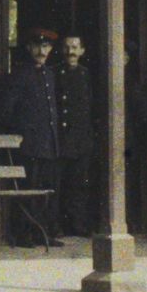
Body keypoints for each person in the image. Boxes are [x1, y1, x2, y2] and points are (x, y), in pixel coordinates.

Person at [0, 28, 63, 247]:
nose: (41, 51)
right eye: (37, 46)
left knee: (47, 190)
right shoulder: (19, 75)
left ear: (51, 49)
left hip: (49, 144)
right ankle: (24, 234)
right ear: (29, 48)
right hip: (29, 145)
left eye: (45, 47)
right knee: (28, 191)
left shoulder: (50, 74)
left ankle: (43, 232)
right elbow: (3, 111)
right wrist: (21, 133)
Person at [54, 34, 96, 239]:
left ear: (82, 51)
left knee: (80, 185)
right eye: (67, 47)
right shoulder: (54, 74)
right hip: (60, 140)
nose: (71, 51)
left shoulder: (87, 76)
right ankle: (57, 226)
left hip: (81, 140)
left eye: (75, 47)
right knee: (58, 184)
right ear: (62, 51)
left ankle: (78, 225)